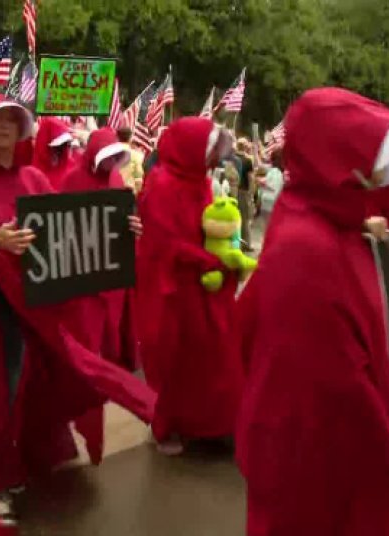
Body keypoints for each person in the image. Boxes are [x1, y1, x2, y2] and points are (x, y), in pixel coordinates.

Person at [236, 88, 389, 535]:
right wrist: (387, 445)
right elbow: (337, 375)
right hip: (317, 456)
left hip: (330, 445)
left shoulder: (325, 222)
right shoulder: (307, 247)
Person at [0, 95, 154, 525]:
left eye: (12, 120)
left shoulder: (32, 177)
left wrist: (120, 229)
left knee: (44, 378)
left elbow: (69, 222)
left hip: (36, 301)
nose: (5, 127)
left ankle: (21, 458)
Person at [137, 117, 243, 456]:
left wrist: (224, 253)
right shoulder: (162, 183)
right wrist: (207, 259)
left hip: (201, 282)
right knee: (172, 358)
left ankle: (211, 424)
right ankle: (167, 425)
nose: (213, 157)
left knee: (212, 355)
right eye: (209, 149)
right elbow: (165, 243)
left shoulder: (202, 182)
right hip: (171, 286)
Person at [57, 127, 142, 464]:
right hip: (83, 288)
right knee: (85, 356)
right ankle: (80, 422)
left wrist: (133, 228)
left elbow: (122, 225)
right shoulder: (71, 180)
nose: (110, 162)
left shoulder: (118, 181)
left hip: (112, 286)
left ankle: (90, 415)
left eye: (114, 156)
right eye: (104, 155)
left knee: (105, 353)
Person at [32, 116, 77, 188]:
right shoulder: (33, 175)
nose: (59, 150)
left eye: (64, 144)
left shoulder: (72, 169)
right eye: (56, 146)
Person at [234, 138, 256, 252]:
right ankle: (246, 244)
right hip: (244, 191)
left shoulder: (232, 159)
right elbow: (250, 178)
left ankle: (235, 243)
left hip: (233, 190)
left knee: (234, 217)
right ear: (245, 147)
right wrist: (252, 192)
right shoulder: (248, 161)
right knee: (245, 219)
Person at [258, 147, 284, 231]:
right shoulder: (278, 171)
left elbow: (273, 186)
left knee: (268, 226)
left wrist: (262, 183)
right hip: (272, 201)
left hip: (269, 201)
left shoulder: (275, 171)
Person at [117, 126, 145, 193]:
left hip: (111, 193)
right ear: (130, 138)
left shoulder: (109, 153)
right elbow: (138, 181)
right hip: (128, 193)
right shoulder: (137, 156)